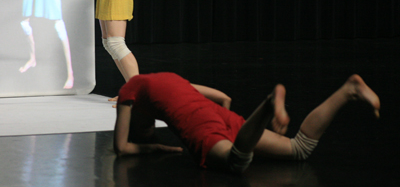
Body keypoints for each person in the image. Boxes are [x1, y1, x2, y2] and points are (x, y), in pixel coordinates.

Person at [114, 72, 380, 172]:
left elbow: (122, 147)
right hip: (220, 115)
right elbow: (224, 97)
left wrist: (156, 148)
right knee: (300, 149)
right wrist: (228, 122)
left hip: (200, 127)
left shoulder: (128, 92)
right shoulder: (168, 77)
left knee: (237, 161)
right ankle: (349, 90)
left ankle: (268, 102)